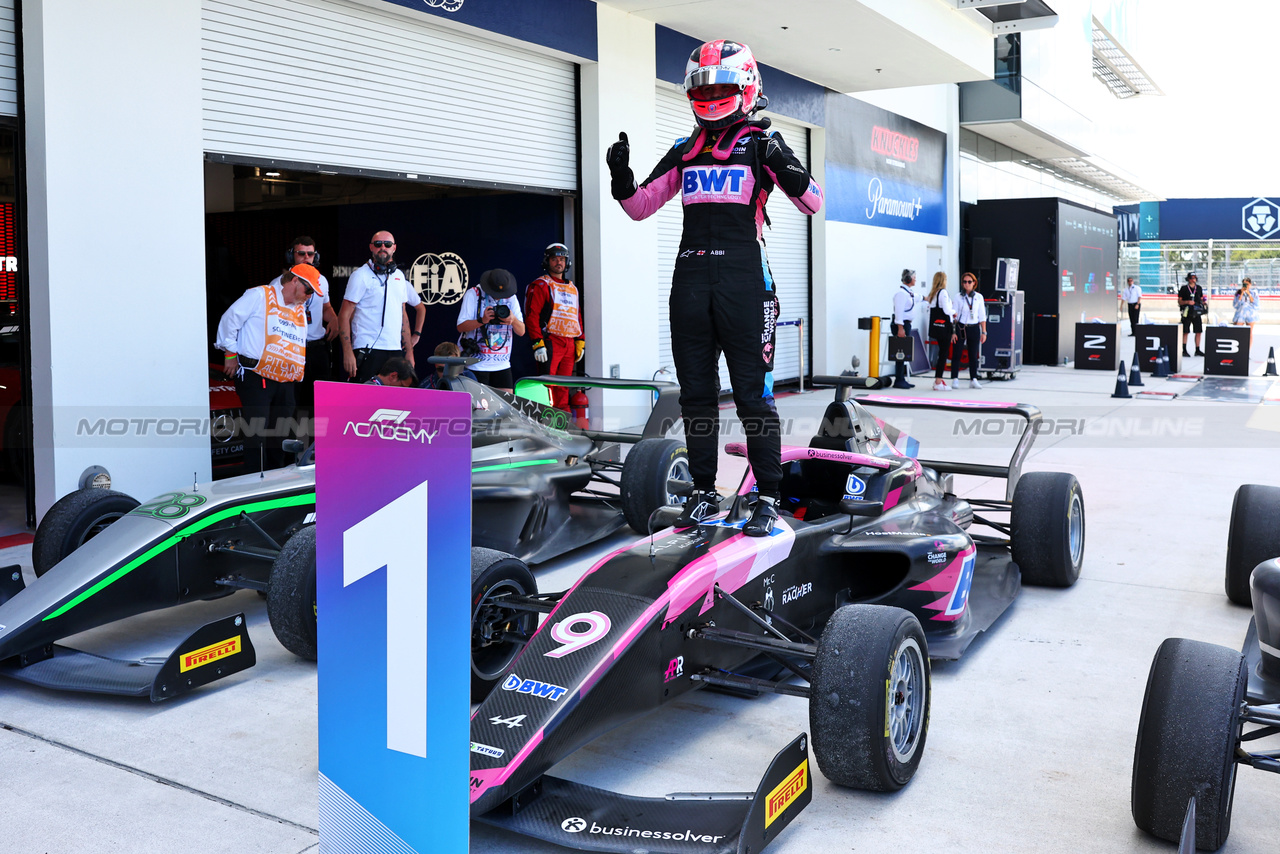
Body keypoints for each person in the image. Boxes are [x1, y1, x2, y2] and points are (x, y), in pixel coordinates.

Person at [606, 39, 823, 537]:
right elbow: (641, 207)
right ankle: (704, 491)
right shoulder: (685, 150)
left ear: (747, 87)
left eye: (723, 86)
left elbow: (812, 203)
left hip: (747, 284)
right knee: (696, 397)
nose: (712, 95)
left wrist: (787, 164)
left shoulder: (762, 144)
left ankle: (767, 496)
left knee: (753, 396)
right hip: (690, 283)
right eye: (703, 87)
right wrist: (621, 178)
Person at [216, 264, 322, 475]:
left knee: (281, 435)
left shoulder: (299, 309)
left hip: (285, 381)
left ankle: (277, 479)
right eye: (308, 290)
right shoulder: (260, 295)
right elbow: (229, 320)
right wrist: (229, 354)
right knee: (256, 434)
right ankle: (253, 483)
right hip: (257, 376)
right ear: (294, 281)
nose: (309, 297)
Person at [338, 231, 425, 382]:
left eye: (387, 244)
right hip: (367, 348)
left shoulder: (399, 276)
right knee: (365, 399)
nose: (383, 247)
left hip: (394, 349)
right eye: (378, 244)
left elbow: (403, 315)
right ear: (371, 247)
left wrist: (409, 352)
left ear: (394, 248)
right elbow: (344, 315)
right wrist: (347, 351)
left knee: (394, 401)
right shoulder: (360, 276)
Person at [273, 237, 336, 431]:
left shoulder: (321, 280)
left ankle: (317, 448)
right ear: (292, 255)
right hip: (291, 349)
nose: (306, 257)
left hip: (317, 348)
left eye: (310, 254)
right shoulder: (277, 283)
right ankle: (292, 448)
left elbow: (325, 307)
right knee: (293, 402)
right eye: (301, 253)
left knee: (320, 402)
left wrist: (333, 318)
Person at [525, 243, 584, 412]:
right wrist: (537, 343)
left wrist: (580, 341)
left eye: (562, 259)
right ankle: (546, 426)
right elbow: (532, 316)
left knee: (564, 387)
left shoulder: (572, 288)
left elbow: (576, 316)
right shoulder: (541, 285)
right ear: (547, 261)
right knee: (547, 386)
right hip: (551, 341)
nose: (559, 262)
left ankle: (563, 427)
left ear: (567, 262)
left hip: (569, 344)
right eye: (554, 259)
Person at [456, 269, 525, 392]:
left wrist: (513, 320)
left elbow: (521, 331)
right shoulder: (474, 294)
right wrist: (482, 320)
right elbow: (461, 327)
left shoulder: (511, 298)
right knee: (478, 407)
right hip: (476, 364)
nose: (499, 297)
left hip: (502, 364)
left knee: (506, 407)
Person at [951, 272, 987, 390]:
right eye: (965, 282)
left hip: (974, 327)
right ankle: (955, 378)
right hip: (961, 326)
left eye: (969, 282)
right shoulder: (958, 297)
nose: (967, 284)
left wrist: (984, 331)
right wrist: (953, 331)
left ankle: (973, 379)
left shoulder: (978, 297)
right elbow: (954, 315)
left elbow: (982, 315)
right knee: (957, 353)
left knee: (973, 354)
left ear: (974, 283)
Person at [925, 272, 955, 392]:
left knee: (941, 353)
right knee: (943, 354)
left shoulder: (933, 294)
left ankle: (938, 379)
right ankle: (938, 381)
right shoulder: (943, 293)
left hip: (936, 327)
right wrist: (954, 311)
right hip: (944, 327)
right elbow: (947, 310)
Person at [891, 269, 918, 390]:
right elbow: (898, 312)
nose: (915, 279)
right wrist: (900, 328)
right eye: (914, 277)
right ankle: (899, 379)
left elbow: (918, 297)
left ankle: (901, 378)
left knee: (903, 353)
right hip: (900, 325)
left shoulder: (909, 293)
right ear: (908, 279)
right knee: (900, 353)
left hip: (905, 324)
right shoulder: (901, 294)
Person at [1178, 272, 1206, 357]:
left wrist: (1203, 303)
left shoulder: (1199, 288)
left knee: (1198, 331)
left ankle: (1197, 350)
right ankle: (1184, 350)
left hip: (1196, 312)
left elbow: (1201, 299)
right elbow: (1179, 301)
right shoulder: (1184, 288)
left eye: (1194, 278)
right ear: (1188, 279)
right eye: (1191, 278)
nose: (1193, 279)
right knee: (1185, 332)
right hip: (1187, 312)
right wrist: (1187, 302)